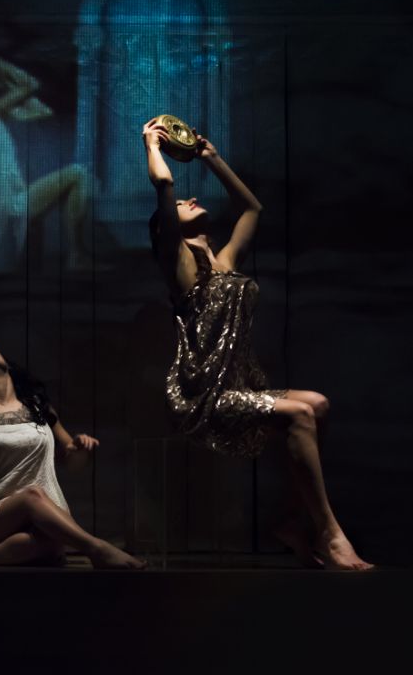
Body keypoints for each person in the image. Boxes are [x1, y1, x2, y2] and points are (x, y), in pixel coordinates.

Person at [143, 118, 373, 571]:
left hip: (239, 386)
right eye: (183, 205)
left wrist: (212, 158)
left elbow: (252, 208)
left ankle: (292, 521)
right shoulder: (178, 263)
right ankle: (329, 534)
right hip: (204, 396)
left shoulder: (225, 261)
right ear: (166, 229)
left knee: (318, 404)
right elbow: (165, 184)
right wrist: (152, 143)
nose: (191, 200)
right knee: (301, 413)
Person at [0, 309, 145, 569]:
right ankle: (98, 549)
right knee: (32, 495)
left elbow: (74, 463)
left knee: (48, 544)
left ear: (9, 366)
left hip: (46, 514)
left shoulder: (39, 408)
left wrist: (82, 448)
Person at [0, 45, 91, 271]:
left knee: (76, 176)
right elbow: (30, 85)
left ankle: (70, 258)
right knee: (78, 174)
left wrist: (0, 76)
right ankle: (76, 257)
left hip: (7, 202)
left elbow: (42, 110)